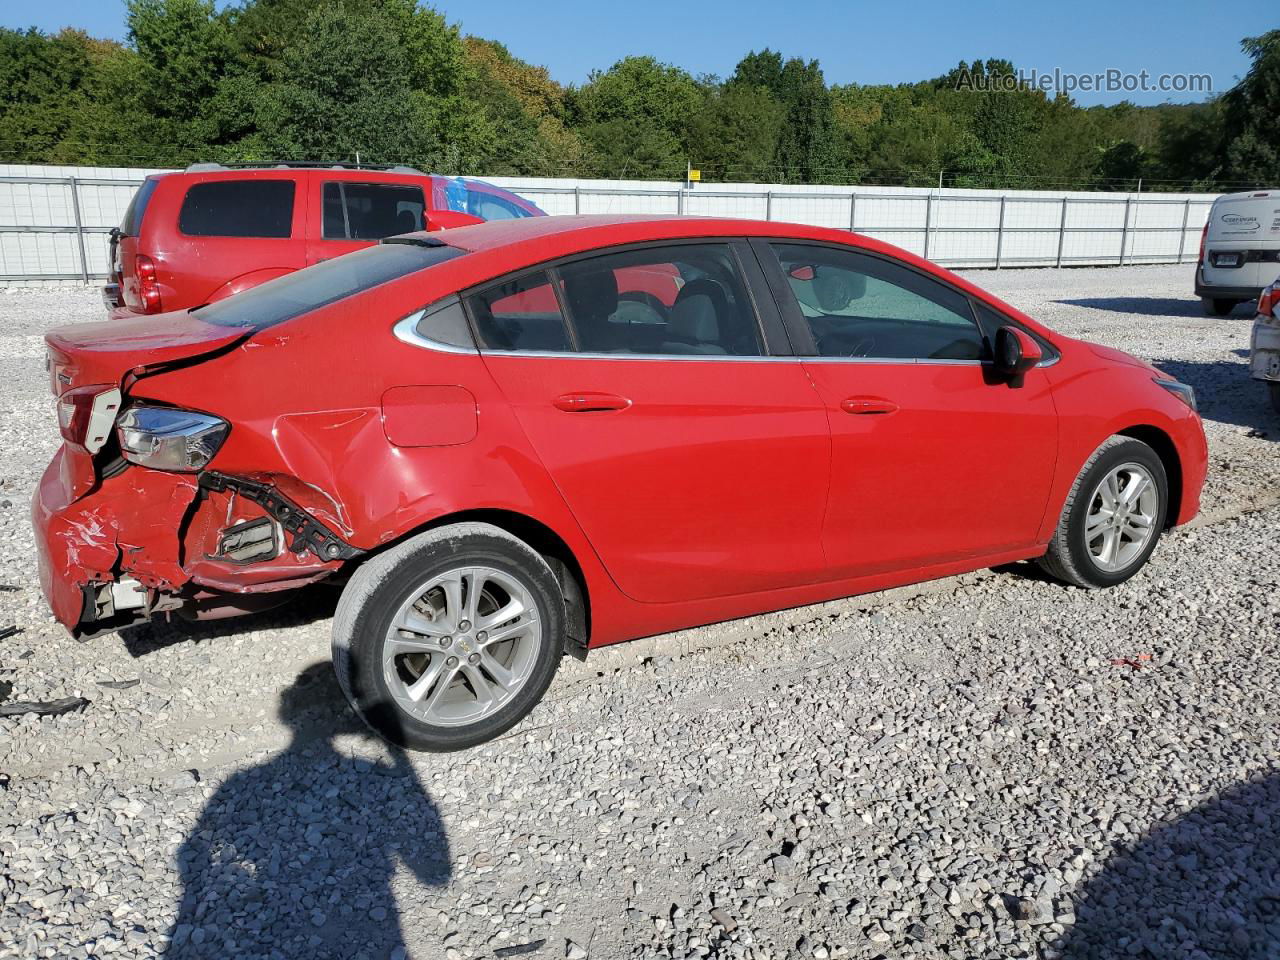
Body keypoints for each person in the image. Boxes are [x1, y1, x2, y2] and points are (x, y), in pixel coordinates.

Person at [167, 663, 450, 959]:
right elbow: (436, 875)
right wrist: (396, 753)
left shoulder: (237, 783)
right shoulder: (368, 768)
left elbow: (191, 854)